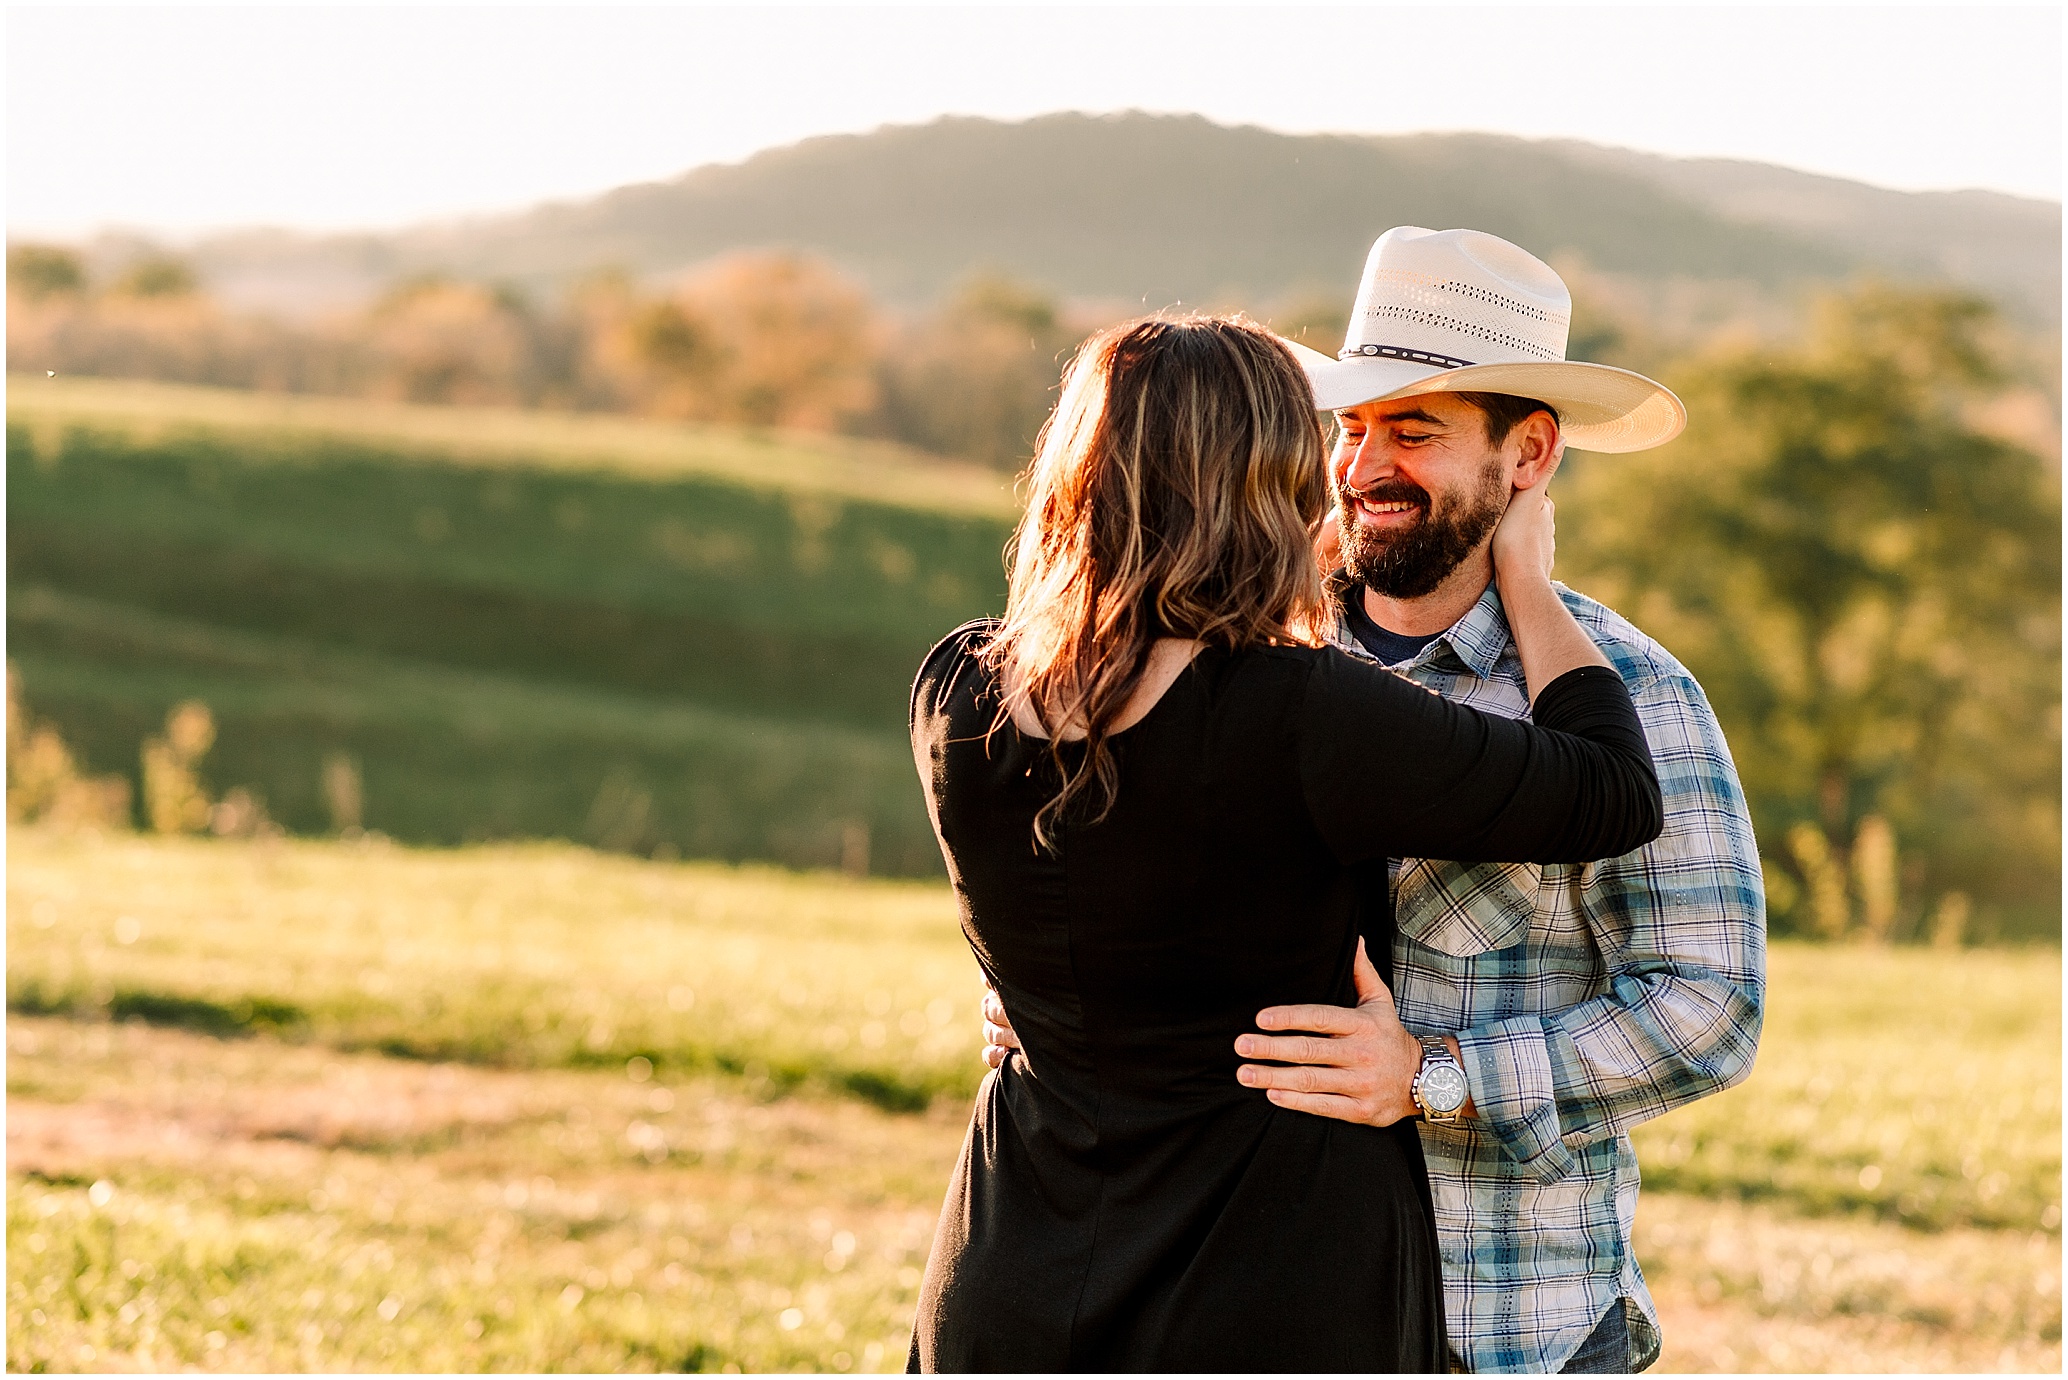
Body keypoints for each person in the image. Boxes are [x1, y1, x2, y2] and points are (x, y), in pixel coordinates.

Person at [981, 228, 1768, 1373]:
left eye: (1415, 430)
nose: (1361, 467)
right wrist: (1056, 999)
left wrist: (1434, 1076)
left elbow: (1708, 1005)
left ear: (1530, 456)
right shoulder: (1226, 656)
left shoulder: (1630, 694)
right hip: (1235, 1295)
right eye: (1350, 427)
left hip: (1495, 1314)